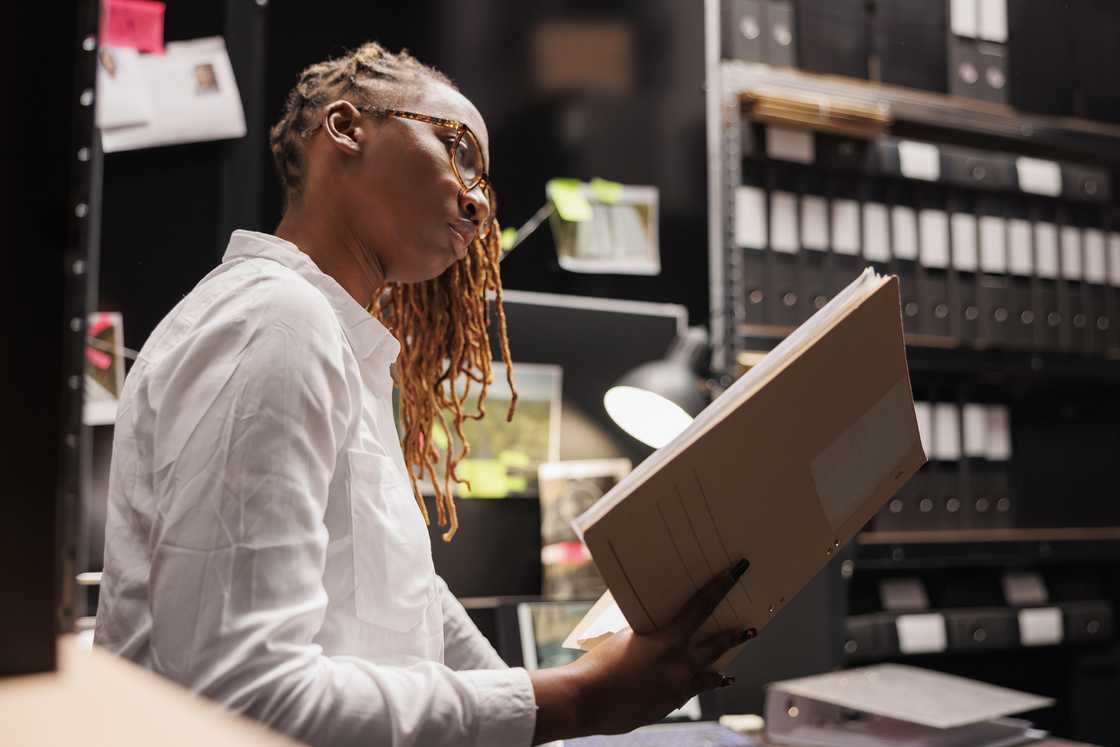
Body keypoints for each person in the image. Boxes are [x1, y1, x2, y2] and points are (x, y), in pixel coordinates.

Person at [94, 42, 751, 746]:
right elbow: (237, 697)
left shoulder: (335, 341)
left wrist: (554, 717)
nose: (478, 200)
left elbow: (413, 601)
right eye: (457, 150)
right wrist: (578, 699)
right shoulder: (273, 321)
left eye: (484, 180)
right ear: (346, 128)